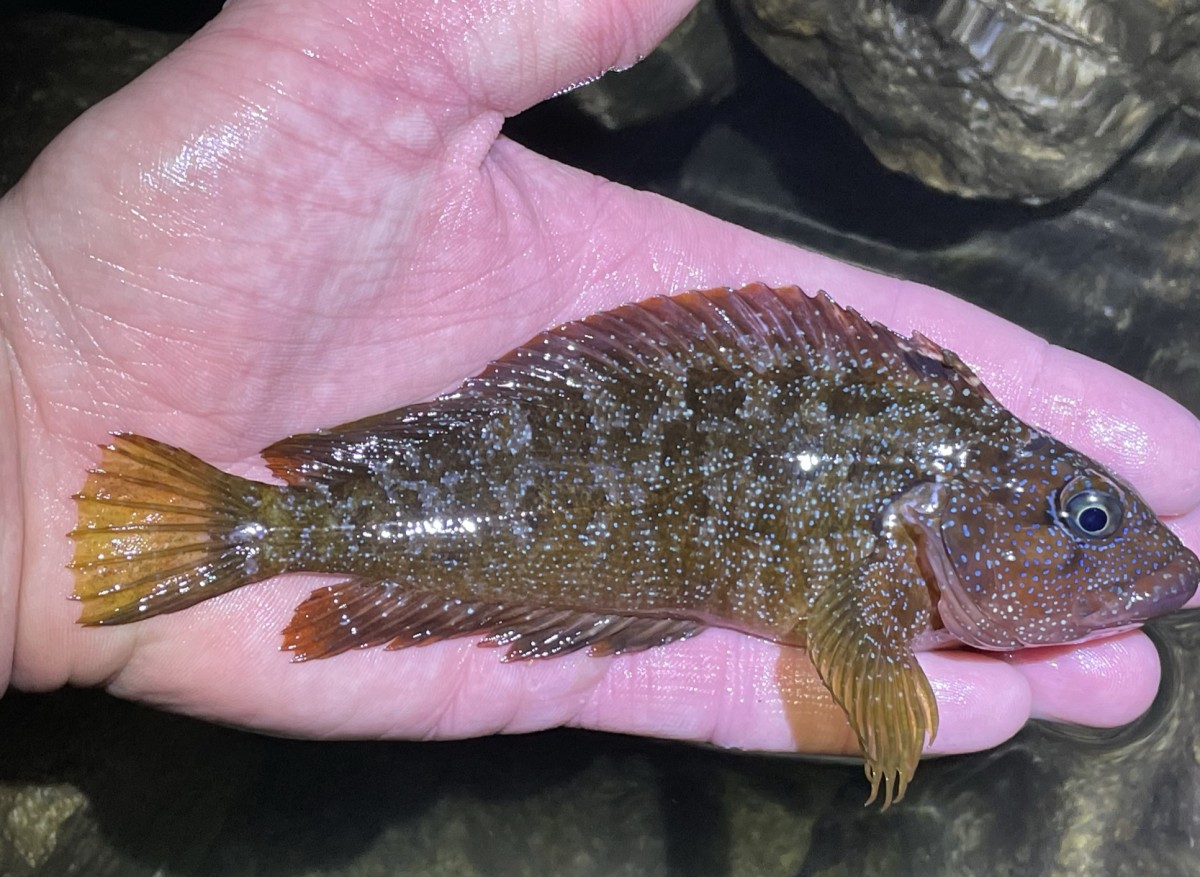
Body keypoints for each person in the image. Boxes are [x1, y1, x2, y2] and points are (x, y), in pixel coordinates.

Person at [0, 0, 1195, 765]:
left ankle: (256, 524)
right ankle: (256, 524)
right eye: (1088, 519)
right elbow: (861, 652)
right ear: (961, 510)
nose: (1110, 547)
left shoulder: (939, 466)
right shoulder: (924, 487)